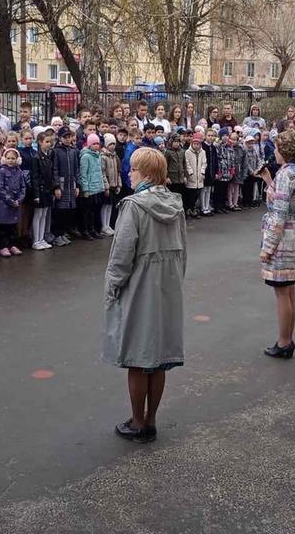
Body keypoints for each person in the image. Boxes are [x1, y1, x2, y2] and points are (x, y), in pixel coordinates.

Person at [103, 146, 187, 444]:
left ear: (147, 174)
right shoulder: (175, 204)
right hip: (168, 286)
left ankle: (138, 421)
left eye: (133, 168)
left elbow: (122, 255)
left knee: (139, 357)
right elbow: (183, 250)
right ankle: (150, 420)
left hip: (141, 286)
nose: (129, 172)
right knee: (159, 358)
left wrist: (112, 287)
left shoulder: (134, 206)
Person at [258, 128, 295, 358]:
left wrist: (267, 248)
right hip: (294, 234)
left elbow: (279, 214)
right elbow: (283, 201)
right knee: (289, 289)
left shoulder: (287, 175)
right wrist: (269, 180)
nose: (274, 152)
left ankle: (284, 341)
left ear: (284, 151)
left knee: (282, 291)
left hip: (283, 238)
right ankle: (287, 339)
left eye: (277, 148)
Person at [51, 127, 80, 247]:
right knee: (60, 211)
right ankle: (57, 234)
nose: (68, 140)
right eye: (65, 137)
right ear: (60, 138)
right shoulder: (56, 151)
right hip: (62, 185)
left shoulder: (73, 151)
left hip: (71, 185)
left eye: (69, 137)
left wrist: (77, 185)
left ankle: (63, 233)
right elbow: (55, 169)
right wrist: (56, 186)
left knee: (68, 210)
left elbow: (76, 169)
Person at [0, 148, 27, 256]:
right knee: (3, 227)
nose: (10, 160)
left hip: (15, 203)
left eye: (13, 158)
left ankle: (12, 245)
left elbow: (23, 187)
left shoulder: (19, 171)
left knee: (13, 227)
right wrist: (9, 200)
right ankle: (3, 246)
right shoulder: (2, 171)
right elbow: (0, 188)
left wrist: (19, 199)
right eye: (8, 158)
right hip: (4, 204)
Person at [30, 131, 57, 250]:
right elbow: (34, 177)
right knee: (38, 214)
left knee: (44, 214)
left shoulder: (48, 156)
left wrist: (52, 188)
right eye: (46, 142)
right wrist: (36, 194)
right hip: (40, 190)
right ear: (40, 142)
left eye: (50, 142)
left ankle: (41, 238)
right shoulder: (36, 157)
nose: (49, 144)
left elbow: (49, 175)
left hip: (47, 189)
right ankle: (36, 240)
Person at [100, 134, 121, 235]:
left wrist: (118, 184)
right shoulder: (103, 157)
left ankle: (108, 225)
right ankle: (104, 226)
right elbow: (102, 172)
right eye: (110, 144)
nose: (112, 146)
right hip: (107, 186)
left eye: (114, 144)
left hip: (114, 185)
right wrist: (106, 186)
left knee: (110, 206)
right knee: (105, 206)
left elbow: (118, 172)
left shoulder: (114, 156)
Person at [183, 132, 206, 218]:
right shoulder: (187, 152)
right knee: (191, 194)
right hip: (191, 176)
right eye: (195, 144)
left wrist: (202, 172)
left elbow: (204, 162)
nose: (196, 146)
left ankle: (193, 209)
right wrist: (190, 172)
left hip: (199, 176)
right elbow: (187, 163)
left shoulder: (202, 152)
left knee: (197, 193)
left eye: (198, 144)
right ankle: (189, 209)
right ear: (192, 144)